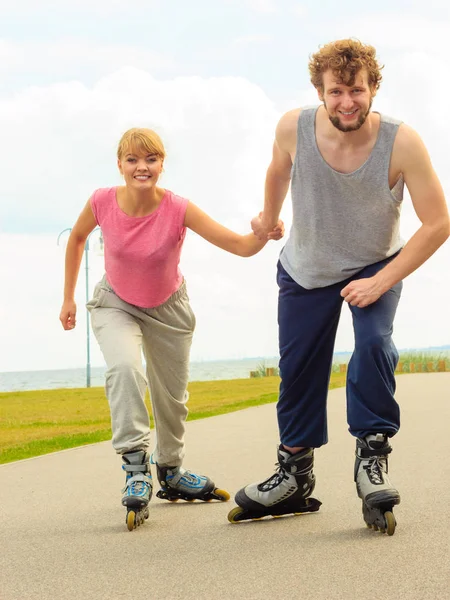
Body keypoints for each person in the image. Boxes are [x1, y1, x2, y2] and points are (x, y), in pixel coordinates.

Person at [228, 39, 450, 535]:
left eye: (356, 90)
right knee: (299, 368)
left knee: (374, 344)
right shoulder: (292, 127)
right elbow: (276, 171)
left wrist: (382, 280)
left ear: (373, 88)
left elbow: (438, 223)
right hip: (307, 266)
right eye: (336, 92)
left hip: (375, 265)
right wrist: (268, 219)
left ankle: (371, 460)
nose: (346, 102)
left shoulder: (402, 143)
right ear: (320, 91)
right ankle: (294, 474)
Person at [59, 127, 284, 530]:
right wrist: (68, 297)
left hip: (169, 309)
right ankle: (135, 467)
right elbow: (76, 239)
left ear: (162, 164)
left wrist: (265, 231)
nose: (141, 167)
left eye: (151, 160)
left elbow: (238, 245)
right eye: (133, 160)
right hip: (116, 302)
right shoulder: (101, 201)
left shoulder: (178, 208)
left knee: (172, 399)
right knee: (125, 369)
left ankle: (171, 471)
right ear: (120, 165)